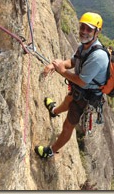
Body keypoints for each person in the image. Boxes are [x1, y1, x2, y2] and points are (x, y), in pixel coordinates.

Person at [34, 12, 109, 159]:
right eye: (83, 27)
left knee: (68, 126)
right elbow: (73, 62)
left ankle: (50, 151)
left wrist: (61, 71)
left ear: (97, 32)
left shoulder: (97, 57)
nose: (84, 31)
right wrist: (57, 65)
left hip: (86, 97)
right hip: (80, 91)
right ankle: (54, 111)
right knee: (68, 100)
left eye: (89, 29)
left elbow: (82, 81)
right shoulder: (85, 47)